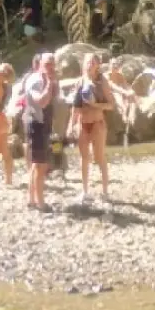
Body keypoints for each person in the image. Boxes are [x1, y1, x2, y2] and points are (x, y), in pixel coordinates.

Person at [69, 53, 114, 203]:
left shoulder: (102, 82)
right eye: (87, 61)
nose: (89, 64)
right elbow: (75, 107)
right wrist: (71, 124)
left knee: (99, 156)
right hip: (83, 123)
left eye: (93, 62)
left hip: (97, 123)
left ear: (97, 66)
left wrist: (96, 105)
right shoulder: (80, 82)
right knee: (84, 158)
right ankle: (85, 191)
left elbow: (111, 105)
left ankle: (105, 191)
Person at [22, 53, 58, 211]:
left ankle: (31, 199)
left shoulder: (47, 80)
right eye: (47, 64)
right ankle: (41, 203)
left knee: (37, 164)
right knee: (40, 164)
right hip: (36, 124)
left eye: (52, 64)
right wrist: (50, 84)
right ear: (40, 65)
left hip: (43, 124)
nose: (50, 67)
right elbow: (42, 102)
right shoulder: (36, 81)